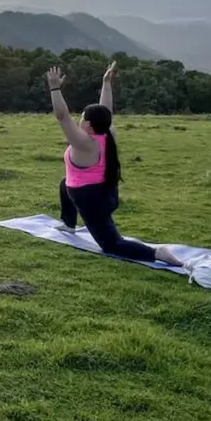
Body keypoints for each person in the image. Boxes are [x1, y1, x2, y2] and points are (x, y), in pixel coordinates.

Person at [48, 60, 182, 267]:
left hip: (91, 200)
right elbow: (105, 109)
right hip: (104, 193)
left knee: (112, 245)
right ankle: (69, 223)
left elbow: (61, 115)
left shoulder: (83, 143)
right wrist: (106, 82)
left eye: (82, 118)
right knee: (64, 183)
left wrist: (55, 88)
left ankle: (158, 253)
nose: (79, 120)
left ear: (89, 125)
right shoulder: (107, 133)